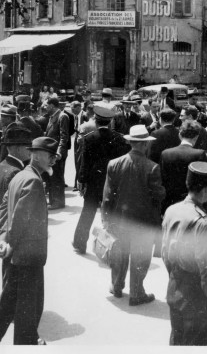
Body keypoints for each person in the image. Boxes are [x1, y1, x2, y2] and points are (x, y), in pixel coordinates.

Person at [0, 137, 58, 345]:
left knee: (10, 301)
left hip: (16, 253)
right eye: (50, 155)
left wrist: (3, 241)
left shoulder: (21, 175)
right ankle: (23, 343)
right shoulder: (32, 180)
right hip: (27, 254)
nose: (53, 160)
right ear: (37, 155)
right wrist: (10, 242)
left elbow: (4, 209)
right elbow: (20, 218)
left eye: (54, 156)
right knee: (28, 306)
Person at [102, 125, 166, 305]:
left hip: (119, 220)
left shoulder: (113, 164)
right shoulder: (152, 167)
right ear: (145, 145)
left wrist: (106, 219)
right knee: (140, 257)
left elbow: (107, 196)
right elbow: (158, 195)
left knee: (119, 255)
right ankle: (137, 293)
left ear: (130, 142)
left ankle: (116, 287)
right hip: (143, 222)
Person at [162, 162, 207, 346]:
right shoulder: (202, 222)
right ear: (206, 189)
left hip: (174, 286)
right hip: (194, 296)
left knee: (176, 338)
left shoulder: (172, 210)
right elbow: (204, 270)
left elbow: (164, 253)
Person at [72, 106, 130, 254]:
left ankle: (79, 243)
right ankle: (114, 248)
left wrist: (81, 180)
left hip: (94, 181)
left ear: (96, 121)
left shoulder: (89, 138)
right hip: (113, 181)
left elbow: (84, 163)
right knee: (112, 213)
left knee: (88, 211)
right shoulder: (119, 138)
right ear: (110, 121)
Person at [0, 126, 32, 238]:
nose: (30, 151)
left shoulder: (1, 165)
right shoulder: (16, 171)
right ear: (18, 149)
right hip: (12, 229)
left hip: (2, 224)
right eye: (28, 147)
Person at [160, 120, 207, 214]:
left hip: (171, 203)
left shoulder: (165, 154)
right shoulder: (200, 154)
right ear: (197, 137)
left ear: (180, 135)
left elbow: (163, 180)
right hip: (193, 204)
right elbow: (204, 181)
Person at [44, 97, 69, 210]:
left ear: (52, 106)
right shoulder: (52, 117)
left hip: (56, 154)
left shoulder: (62, 116)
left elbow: (64, 137)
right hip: (50, 152)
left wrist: (59, 152)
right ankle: (53, 201)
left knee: (57, 178)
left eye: (47, 105)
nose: (45, 107)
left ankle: (58, 202)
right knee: (52, 177)